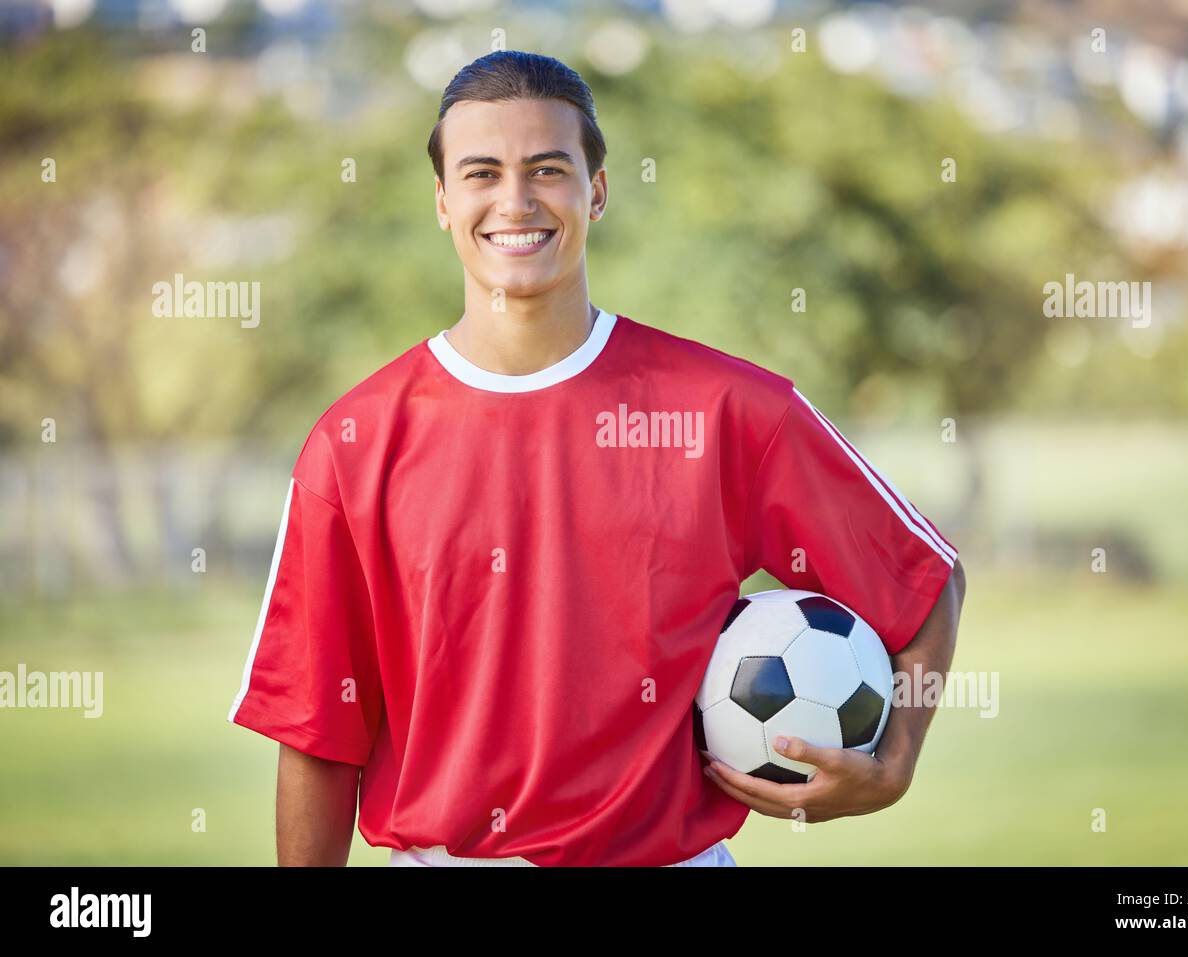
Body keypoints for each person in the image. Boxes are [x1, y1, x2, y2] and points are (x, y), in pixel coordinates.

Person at [227, 50, 966, 868]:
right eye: (482, 173)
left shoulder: (726, 410)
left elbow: (924, 580)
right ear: (443, 201)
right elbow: (318, 730)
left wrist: (894, 762)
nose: (516, 201)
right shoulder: (354, 443)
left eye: (548, 169)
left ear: (597, 192)